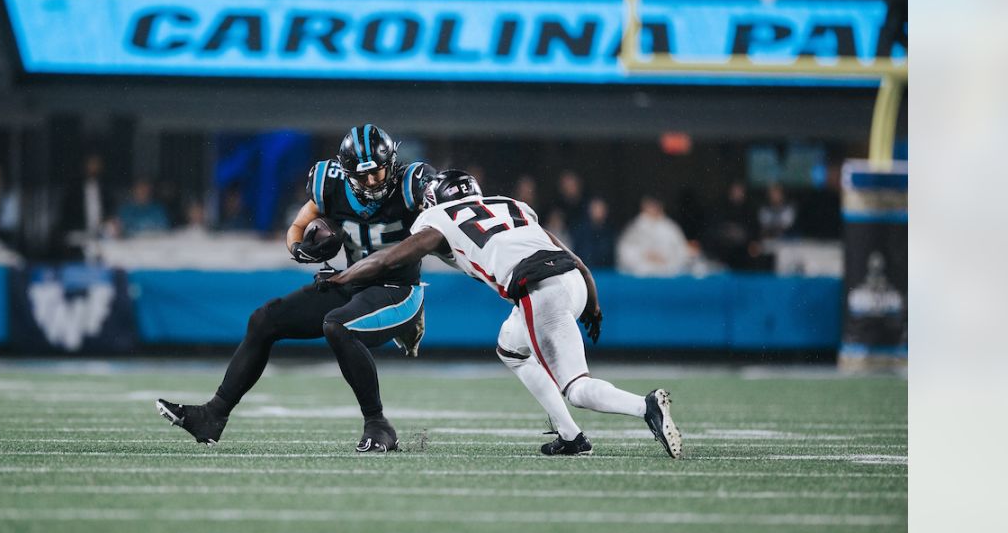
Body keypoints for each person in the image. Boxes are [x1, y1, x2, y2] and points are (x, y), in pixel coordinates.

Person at [327, 169, 682, 458]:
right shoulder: (511, 205)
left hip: (540, 289)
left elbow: (388, 258)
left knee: (577, 389)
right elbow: (572, 257)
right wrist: (593, 302)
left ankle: (645, 406)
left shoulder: (436, 217)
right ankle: (571, 436)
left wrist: (341, 277)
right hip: (571, 280)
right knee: (510, 348)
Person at [157, 125, 435, 452]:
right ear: (346, 174)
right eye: (363, 176)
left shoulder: (412, 185)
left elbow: (446, 226)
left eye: (378, 172)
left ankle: (378, 424)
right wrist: (300, 249)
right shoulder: (330, 184)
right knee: (265, 319)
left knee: (337, 325)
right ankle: (212, 415)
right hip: (354, 281)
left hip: (398, 289)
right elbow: (299, 227)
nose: (373, 182)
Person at [616, 195, 692, 276]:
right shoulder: (634, 227)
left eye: (655, 206)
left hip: (667, 270)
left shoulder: (671, 228)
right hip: (642, 271)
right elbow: (625, 251)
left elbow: (681, 250)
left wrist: (663, 257)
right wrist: (646, 256)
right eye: (650, 206)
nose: (652, 209)